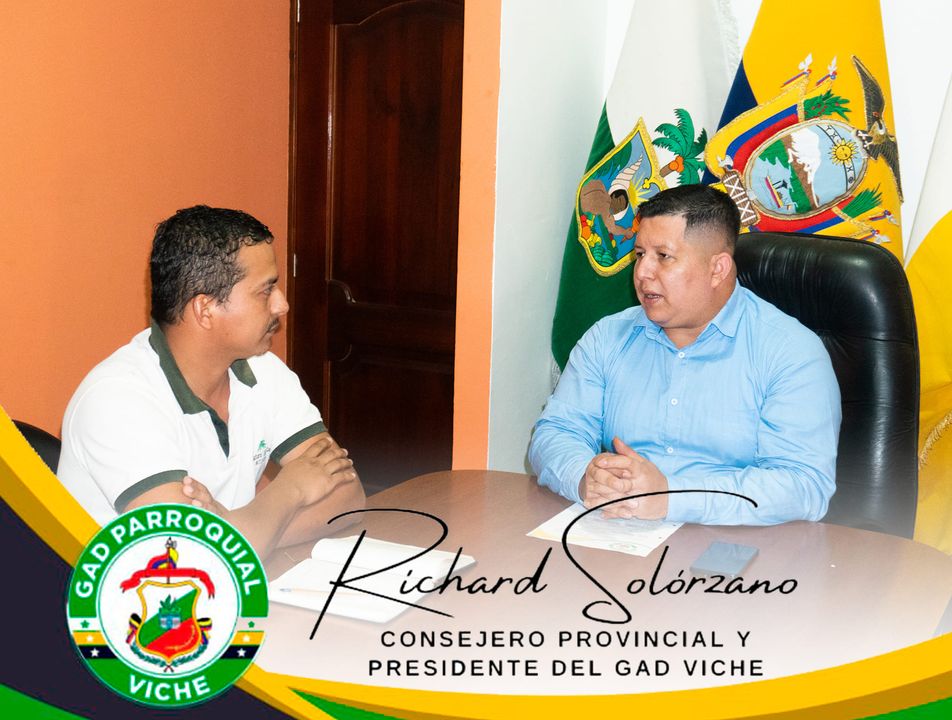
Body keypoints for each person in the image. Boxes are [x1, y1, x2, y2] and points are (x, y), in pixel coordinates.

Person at [57, 205, 365, 555]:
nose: (282, 305)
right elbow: (190, 553)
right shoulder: (115, 401)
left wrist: (239, 530)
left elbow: (349, 496)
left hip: (229, 580)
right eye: (266, 290)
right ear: (205, 309)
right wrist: (290, 489)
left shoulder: (264, 371)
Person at [529, 185, 841, 525]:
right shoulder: (608, 337)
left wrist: (670, 497)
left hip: (736, 545)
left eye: (663, 256)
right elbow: (556, 431)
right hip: (617, 532)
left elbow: (802, 485)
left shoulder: (790, 352)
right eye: (639, 254)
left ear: (718, 269)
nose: (642, 272)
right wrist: (585, 477)